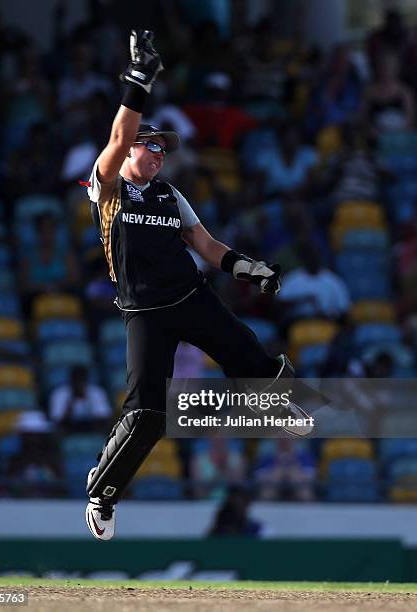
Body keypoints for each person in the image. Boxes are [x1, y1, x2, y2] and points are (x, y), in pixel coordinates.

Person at [84, 30, 307, 542]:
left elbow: (206, 246)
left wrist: (251, 270)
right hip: (144, 312)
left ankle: (277, 407)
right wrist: (138, 79)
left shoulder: (169, 194)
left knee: (246, 352)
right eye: (152, 145)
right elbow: (119, 139)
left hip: (190, 296)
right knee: (147, 416)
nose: (159, 153)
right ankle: (103, 492)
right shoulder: (109, 186)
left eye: (164, 149)